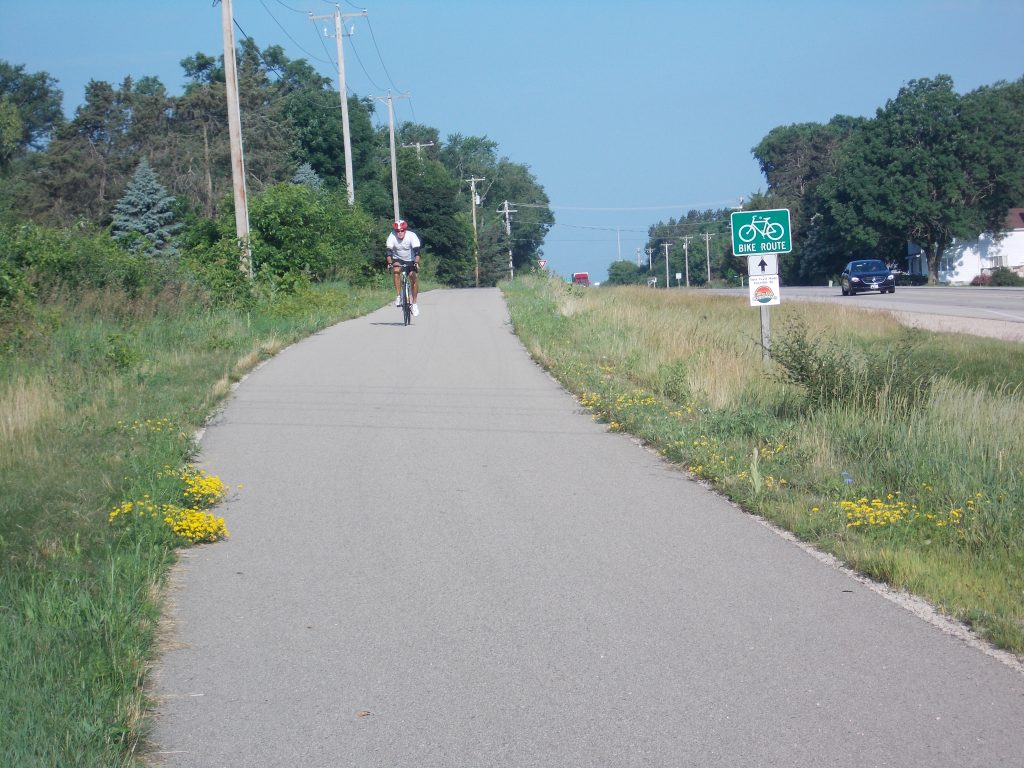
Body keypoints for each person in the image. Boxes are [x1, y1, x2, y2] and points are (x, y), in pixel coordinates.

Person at [386, 220, 420, 317]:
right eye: (397, 231)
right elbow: (388, 253)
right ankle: (398, 296)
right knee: (396, 270)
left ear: (405, 230)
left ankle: (414, 304)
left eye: (402, 230)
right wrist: (389, 263)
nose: (399, 233)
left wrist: (416, 262)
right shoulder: (392, 236)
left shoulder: (412, 236)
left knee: (413, 277)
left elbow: (417, 253)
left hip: (411, 259)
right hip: (398, 259)